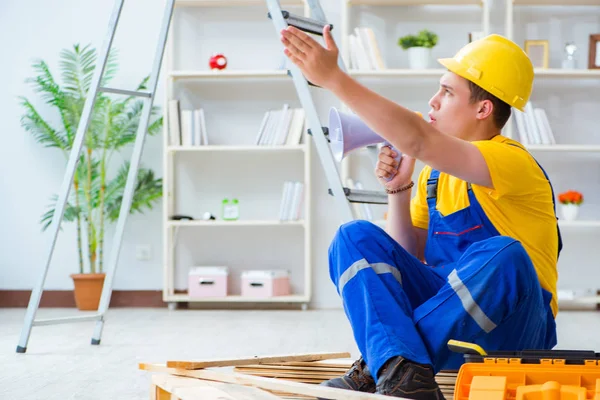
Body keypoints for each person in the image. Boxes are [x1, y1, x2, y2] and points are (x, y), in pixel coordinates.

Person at [280, 25, 562, 400]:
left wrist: (333, 79)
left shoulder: (511, 161)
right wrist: (397, 188)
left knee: (503, 254)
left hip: (515, 327)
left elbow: (418, 139)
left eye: (446, 92)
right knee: (353, 236)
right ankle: (402, 374)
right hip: (450, 326)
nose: (433, 101)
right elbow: (405, 258)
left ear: (483, 108)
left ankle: (382, 359)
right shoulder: (432, 174)